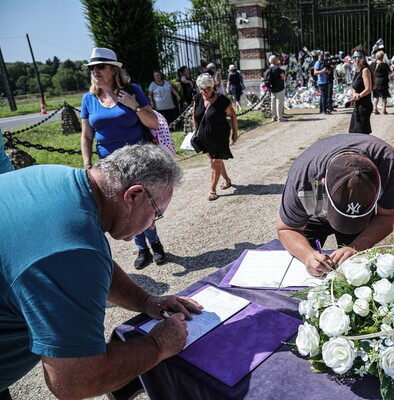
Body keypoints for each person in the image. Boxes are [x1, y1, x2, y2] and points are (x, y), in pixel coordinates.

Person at [0, 144, 203, 400]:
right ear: (134, 195)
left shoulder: (57, 178)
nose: (151, 225)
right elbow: (75, 381)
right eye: (156, 214)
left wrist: (146, 301)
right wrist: (158, 345)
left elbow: (90, 266)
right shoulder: (73, 250)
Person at [80, 47, 167, 271]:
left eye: (100, 66)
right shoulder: (88, 99)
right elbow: (86, 135)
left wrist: (133, 105)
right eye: (92, 67)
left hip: (138, 160)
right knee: (123, 206)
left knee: (144, 202)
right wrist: (87, 165)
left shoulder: (132, 90)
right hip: (108, 163)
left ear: (113, 69)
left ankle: (155, 244)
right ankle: (142, 248)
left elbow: (154, 123)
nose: (95, 71)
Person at [277, 134, 394, 276]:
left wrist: (356, 247)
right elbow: (287, 229)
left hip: (362, 223)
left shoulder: (388, 162)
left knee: (355, 271)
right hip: (313, 217)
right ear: (323, 183)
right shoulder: (304, 177)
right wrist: (307, 255)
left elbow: (389, 215)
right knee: (310, 270)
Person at [193, 74, 239, 201]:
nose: (205, 92)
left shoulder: (222, 100)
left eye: (207, 89)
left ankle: (212, 189)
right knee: (215, 159)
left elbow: (233, 116)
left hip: (220, 136)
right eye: (202, 89)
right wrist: (195, 131)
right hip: (203, 137)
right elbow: (195, 116)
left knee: (216, 161)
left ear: (213, 87)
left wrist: (235, 133)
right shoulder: (198, 98)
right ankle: (227, 180)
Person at [348, 45, 373, 134]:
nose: (357, 59)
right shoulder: (357, 71)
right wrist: (354, 94)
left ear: (363, 58)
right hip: (358, 105)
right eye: (354, 57)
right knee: (354, 131)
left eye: (359, 57)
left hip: (364, 105)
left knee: (361, 132)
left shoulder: (365, 70)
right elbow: (354, 87)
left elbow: (368, 89)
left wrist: (358, 96)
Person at [267, 55, 287, 122]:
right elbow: (284, 76)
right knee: (279, 102)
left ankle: (273, 117)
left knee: (273, 102)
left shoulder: (268, 68)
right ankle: (280, 117)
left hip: (272, 87)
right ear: (275, 60)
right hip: (279, 87)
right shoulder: (276, 68)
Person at [372, 50, 391, 114]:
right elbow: (389, 72)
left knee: (375, 96)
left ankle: (375, 109)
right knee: (384, 96)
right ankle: (384, 110)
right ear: (382, 57)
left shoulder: (373, 64)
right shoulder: (384, 64)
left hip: (375, 81)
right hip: (383, 82)